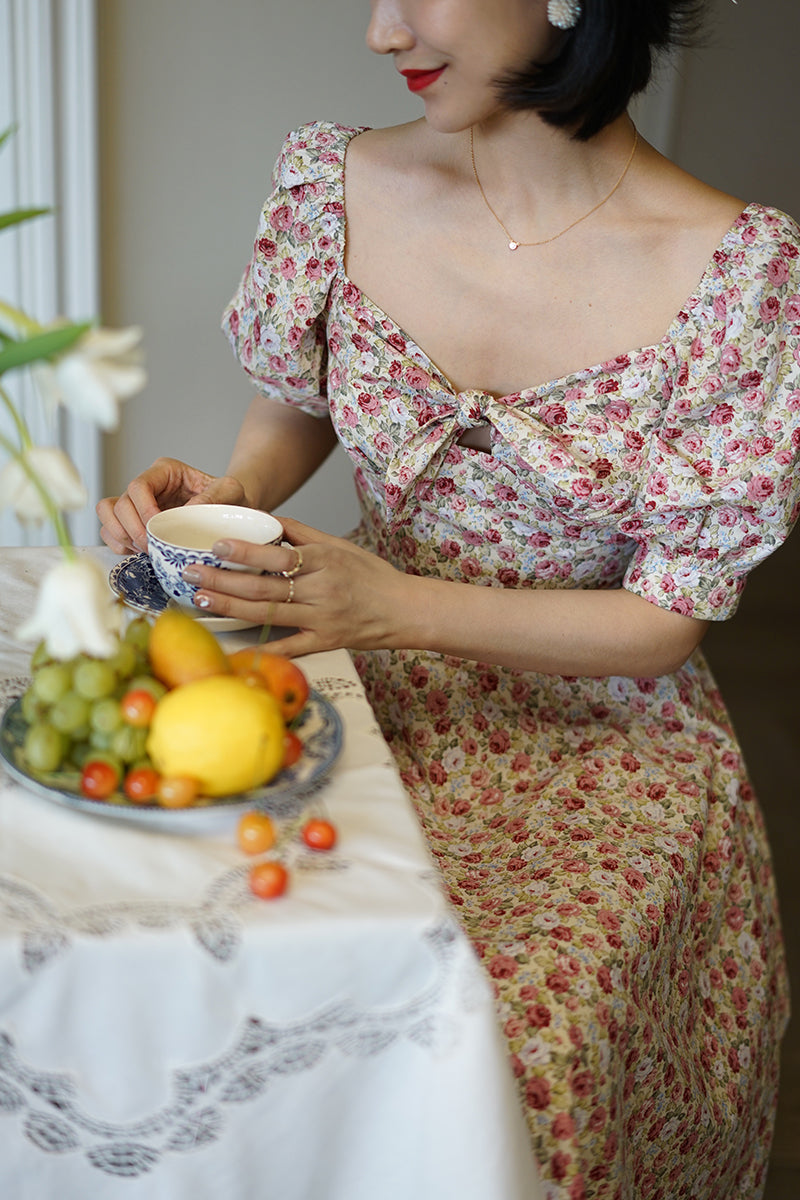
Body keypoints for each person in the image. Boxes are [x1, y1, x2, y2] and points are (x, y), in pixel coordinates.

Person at [98, 1, 799, 1195]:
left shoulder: (745, 277)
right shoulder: (333, 176)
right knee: (204, 977)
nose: (382, 30)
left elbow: (661, 617)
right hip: (340, 659)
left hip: (597, 721)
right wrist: (231, 501)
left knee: (496, 1055)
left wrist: (389, 607)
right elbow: (299, 403)